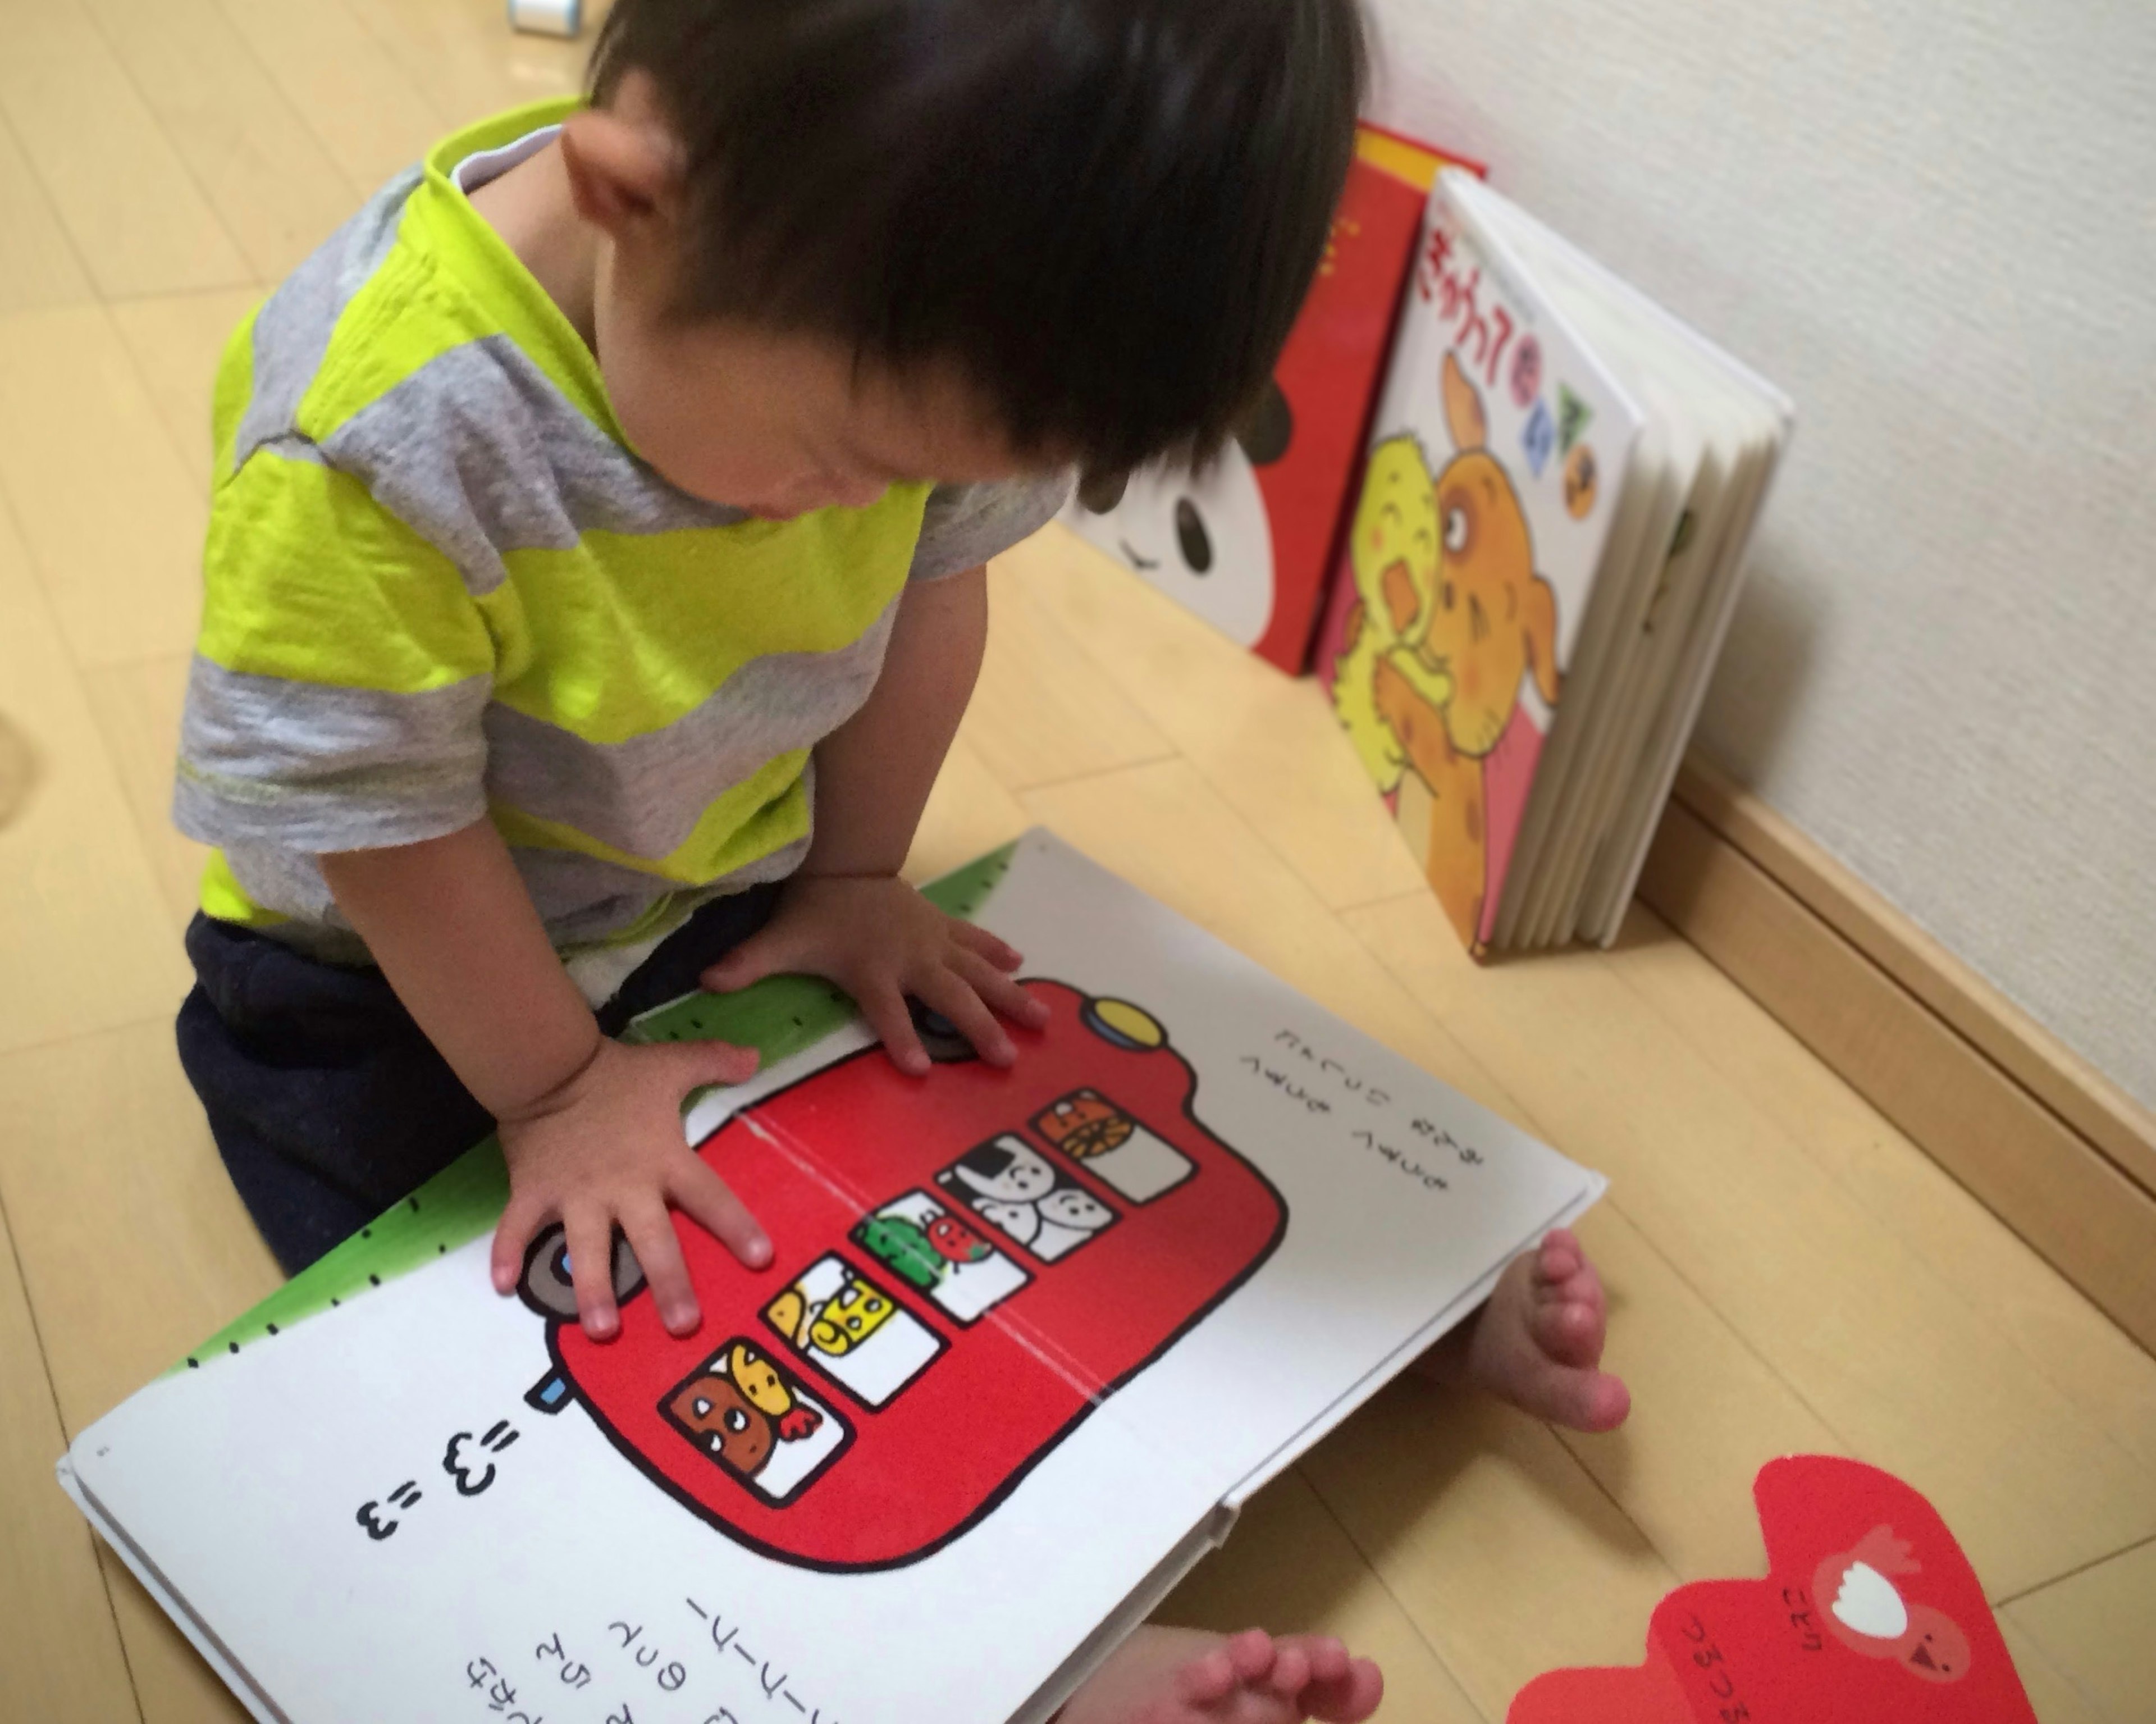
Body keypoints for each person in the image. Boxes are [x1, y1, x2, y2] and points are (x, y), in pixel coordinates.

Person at [171, 3, 1625, 1717]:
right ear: (635, 196)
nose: (852, 513)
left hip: (703, 882)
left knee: (973, 1118)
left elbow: (938, 596)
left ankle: (1369, 1333)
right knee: (586, 1326)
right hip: (393, 988)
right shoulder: (380, 438)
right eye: (848, 466)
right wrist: (559, 1090)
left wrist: (859, 878)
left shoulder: (855, 325)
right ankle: (1007, 1669)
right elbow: (384, 830)